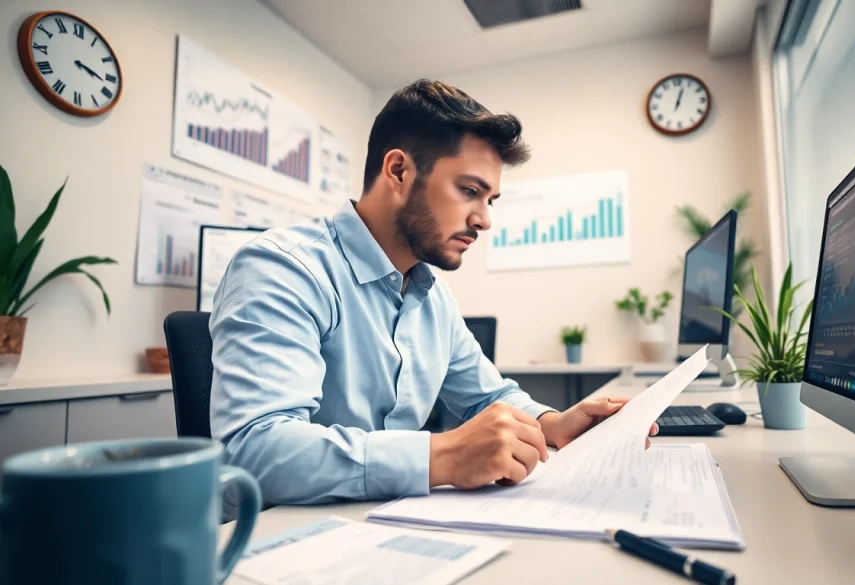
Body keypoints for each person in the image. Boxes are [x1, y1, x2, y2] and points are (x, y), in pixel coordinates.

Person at [209, 80, 656, 507]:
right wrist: (442, 456)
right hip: (269, 537)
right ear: (399, 171)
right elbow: (254, 450)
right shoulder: (284, 268)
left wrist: (553, 424)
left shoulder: (431, 295)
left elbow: (485, 396)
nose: (484, 220)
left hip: (378, 520)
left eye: (490, 200)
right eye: (469, 191)